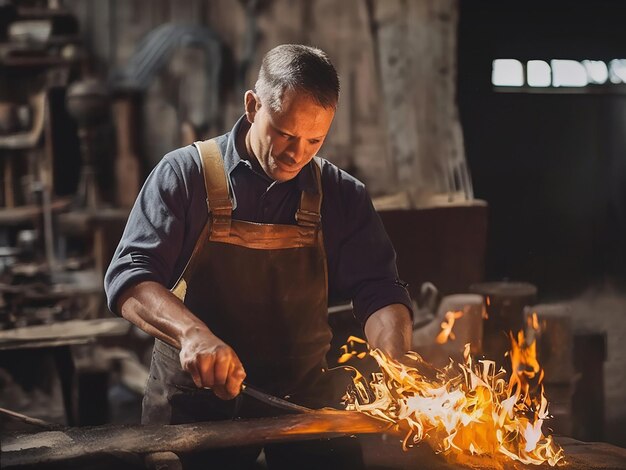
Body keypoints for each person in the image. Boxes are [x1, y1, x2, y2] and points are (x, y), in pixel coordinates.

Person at [105, 44, 413, 469]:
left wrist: (398, 364)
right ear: (252, 106)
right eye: (285, 133)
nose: (297, 153)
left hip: (303, 402)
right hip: (196, 404)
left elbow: (378, 289)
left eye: (314, 140)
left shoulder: (343, 195)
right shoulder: (184, 175)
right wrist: (193, 334)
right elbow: (130, 277)